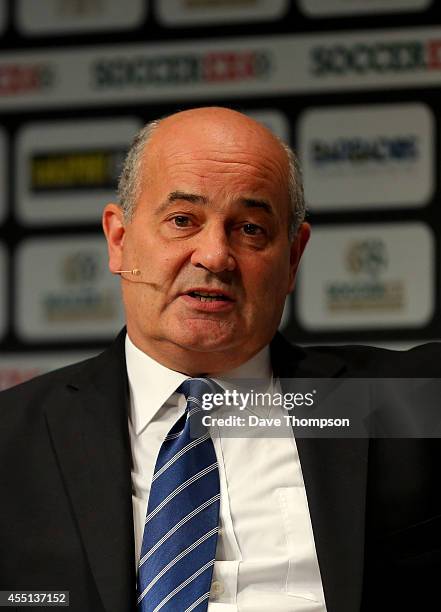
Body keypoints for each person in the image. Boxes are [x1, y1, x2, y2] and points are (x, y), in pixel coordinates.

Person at [1, 107, 440, 612]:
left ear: (293, 257)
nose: (214, 255)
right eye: (183, 220)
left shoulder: (396, 402)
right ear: (119, 240)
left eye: (250, 229)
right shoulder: (12, 438)